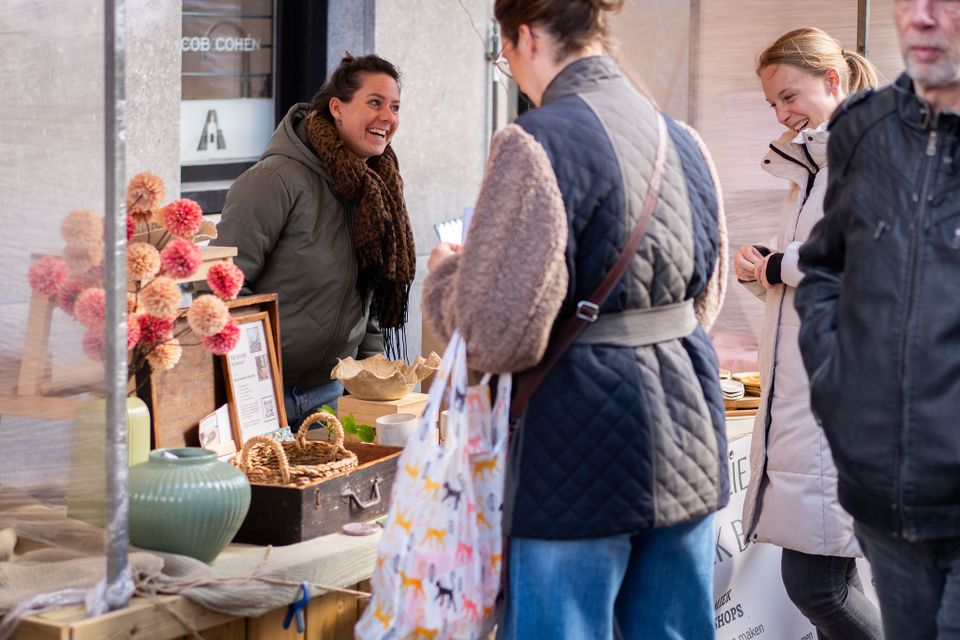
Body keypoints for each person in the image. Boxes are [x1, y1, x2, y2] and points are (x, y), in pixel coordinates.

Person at [422, 1, 728, 637]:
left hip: (579, 443)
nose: (508, 68)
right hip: (689, 433)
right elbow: (707, 301)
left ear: (527, 37)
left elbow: (496, 335)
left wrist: (447, 275)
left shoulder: (535, 140)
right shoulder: (682, 136)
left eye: (505, 52)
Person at [795, 2, 960, 638]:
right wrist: (839, 387)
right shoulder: (864, 128)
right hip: (885, 498)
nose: (919, 19)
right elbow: (826, 269)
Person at [735, 28, 884, 640]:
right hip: (816, 392)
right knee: (833, 584)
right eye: (772, 104)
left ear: (833, 81)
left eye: (789, 96)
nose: (781, 113)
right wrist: (767, 269)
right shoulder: (820, 164)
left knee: (815, 586)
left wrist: (778, 265)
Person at [212, 54, 415, 424]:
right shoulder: (275, 179)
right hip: (264, 393)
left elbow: (369, 300)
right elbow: (224, 285)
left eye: (395, 106)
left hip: (334, 394)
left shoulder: (374, 190)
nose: (388, 117)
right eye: (375, 102)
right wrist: (257, 372)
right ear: (337, 107)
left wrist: (371, 378)